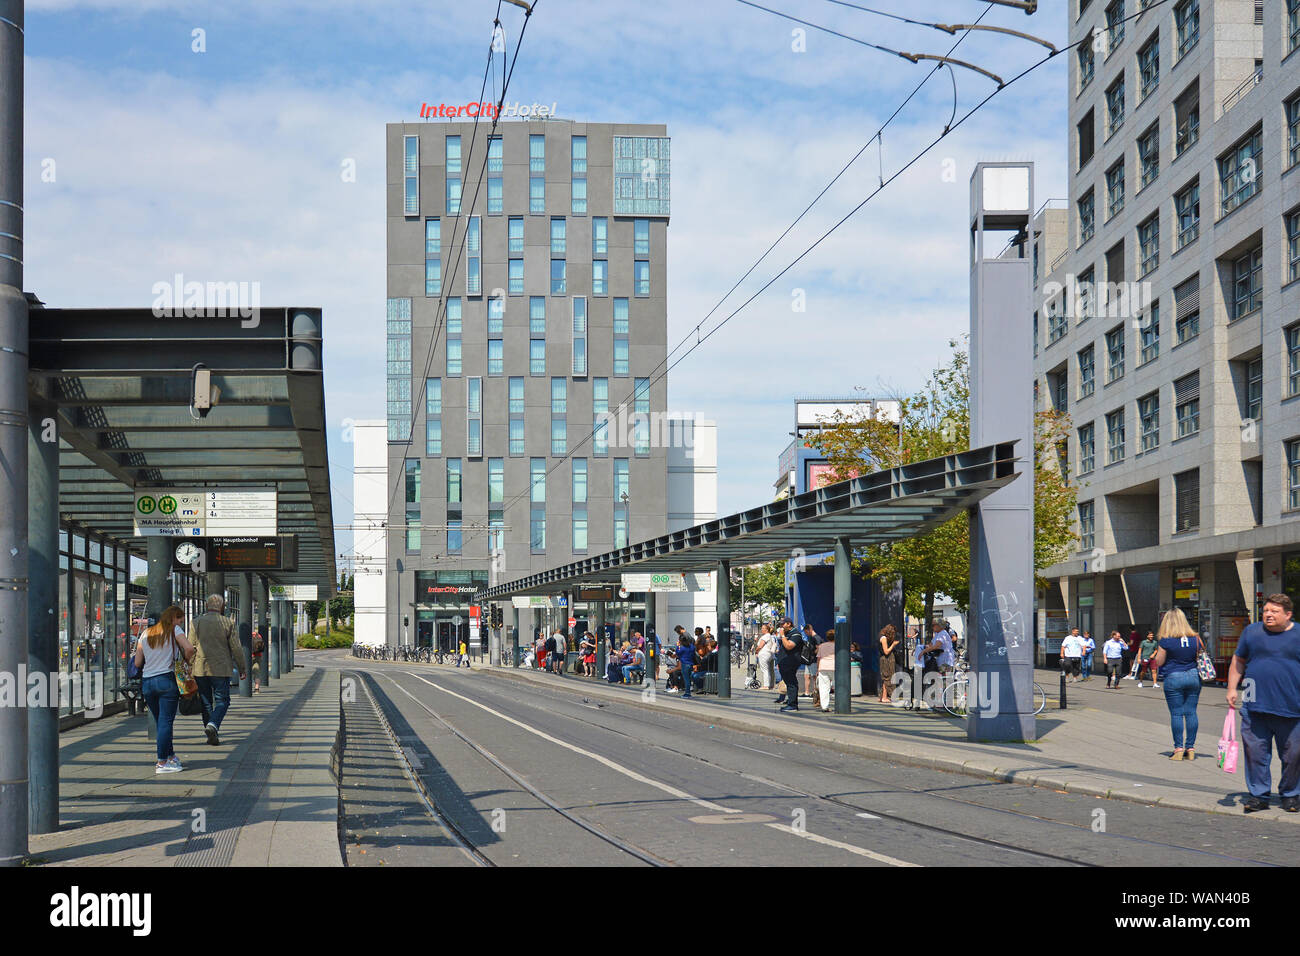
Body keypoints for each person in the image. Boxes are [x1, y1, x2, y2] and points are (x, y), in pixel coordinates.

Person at [1228, 593, 1300, 813]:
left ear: (1288, 615)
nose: (1268, 615)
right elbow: (1238, 660)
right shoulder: (1252, 631)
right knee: (1256, 754)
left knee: (1294, 755)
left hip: (1292, 707)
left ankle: (1290, 795)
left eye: (1274, 611)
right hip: (1254, 704)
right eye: (1266, 610)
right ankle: (1259, 796)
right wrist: (1232, 688)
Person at [134, 606, 197, 774]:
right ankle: (162, 762)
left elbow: (137, 663)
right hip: (166, 680)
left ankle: (170, 756)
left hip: (148, 682)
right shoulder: (174, 630)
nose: (180, 623)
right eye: (180, 620)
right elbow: (190, 648)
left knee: (161, 722)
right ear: (174, 618)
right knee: (165, 723)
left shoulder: (146, 633)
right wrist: (185, 660)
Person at [190, 594, 247, 747]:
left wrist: (189, 666)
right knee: (223, 700)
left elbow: (190, 647)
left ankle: (210, 732)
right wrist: (242, 667)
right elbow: (236, 648)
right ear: (221, 607)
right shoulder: (227, 622)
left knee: (206, 702)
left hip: (200, 668)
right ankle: (213, 725)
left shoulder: (196, 622)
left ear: (207, 606)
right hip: (221, 668)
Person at [1152, 608, 1204, 760]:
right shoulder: (1196, 638)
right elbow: (1200, 656)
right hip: (1194, 676)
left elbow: (1159, 661)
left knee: (1176, 713)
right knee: (1191, 712)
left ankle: (1179, 749)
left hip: (1174, 677)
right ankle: (1191, 748)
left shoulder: (1166, 640)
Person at [775, 619, 803, 712]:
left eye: (783, 624)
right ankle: (791, 701)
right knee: (789, 682)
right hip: (785, 662)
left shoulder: (796, 634)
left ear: (789, 624)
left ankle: (793, 705)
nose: (781, 626)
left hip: (791, 662)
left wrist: (782, 635)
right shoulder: (788, 634)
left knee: (791, 683)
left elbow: (789, 646)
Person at [815, 627, 836, 712]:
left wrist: (818, 668)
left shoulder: (821, 646)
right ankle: (839, 705)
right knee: (838, 686)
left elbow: (819, 658)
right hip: (834, 667)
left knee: (824, 687)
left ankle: (824, 706)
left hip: (823, 667)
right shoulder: (838, 646)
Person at [878, 624, 900, 703]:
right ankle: (884, 697)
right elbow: (886, 651)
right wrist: (893, 645)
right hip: (886, 660)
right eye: (893, 632)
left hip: (887, 659)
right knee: (887, 677)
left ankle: (883, 696)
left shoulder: (884, 637)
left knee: (887, 677)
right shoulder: (883, 638)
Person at [755, 623, 777, 690]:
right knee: (771, 670)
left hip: (764, 654)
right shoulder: (771, 636)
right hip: (770, 655)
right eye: (762, 628)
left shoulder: (765, 636)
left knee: (765, 670)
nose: (762, 629)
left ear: (767, 630)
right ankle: (772, 685)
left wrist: (756, 651)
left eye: (763, 628)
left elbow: (760, 646)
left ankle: (766, 685)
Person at [676, 632, 697, 699]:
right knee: (689, 679)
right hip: (691, 664)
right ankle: (688, 692)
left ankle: (687, 693)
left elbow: (678, 653)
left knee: (686, 680)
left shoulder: (682, 648)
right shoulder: (692, 647)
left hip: (685, 664)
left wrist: (677, 646)